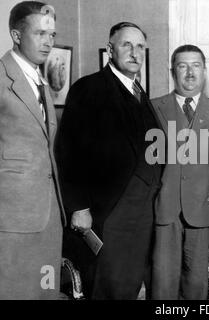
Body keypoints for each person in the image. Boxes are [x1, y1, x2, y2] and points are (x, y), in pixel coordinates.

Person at [56, 22, 162, 299]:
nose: (135, 52)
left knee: (129, 286)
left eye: (140, 46)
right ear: (110, 49)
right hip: (111, 211)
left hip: (144, 213)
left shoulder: (139, 91)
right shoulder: (89, 88)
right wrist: (78, 207)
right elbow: (68, 152)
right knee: (107, 288)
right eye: (127, 45)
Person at [0, 1, 65, 299]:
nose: (48, 42)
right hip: (12, 220)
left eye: (51, 35)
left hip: (50, 216)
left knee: (45, 290)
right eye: (40, 34)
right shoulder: (2, 78)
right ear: (16, 35)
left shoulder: (40, 79)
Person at [151, 45, 209, 299]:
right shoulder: (153, 108)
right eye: (183, 66)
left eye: (195, 66)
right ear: (173, 72)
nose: (190, 73)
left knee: (196, 282)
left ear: (204, 71)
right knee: (163, 280)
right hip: (165, 206)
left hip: (203, 204)